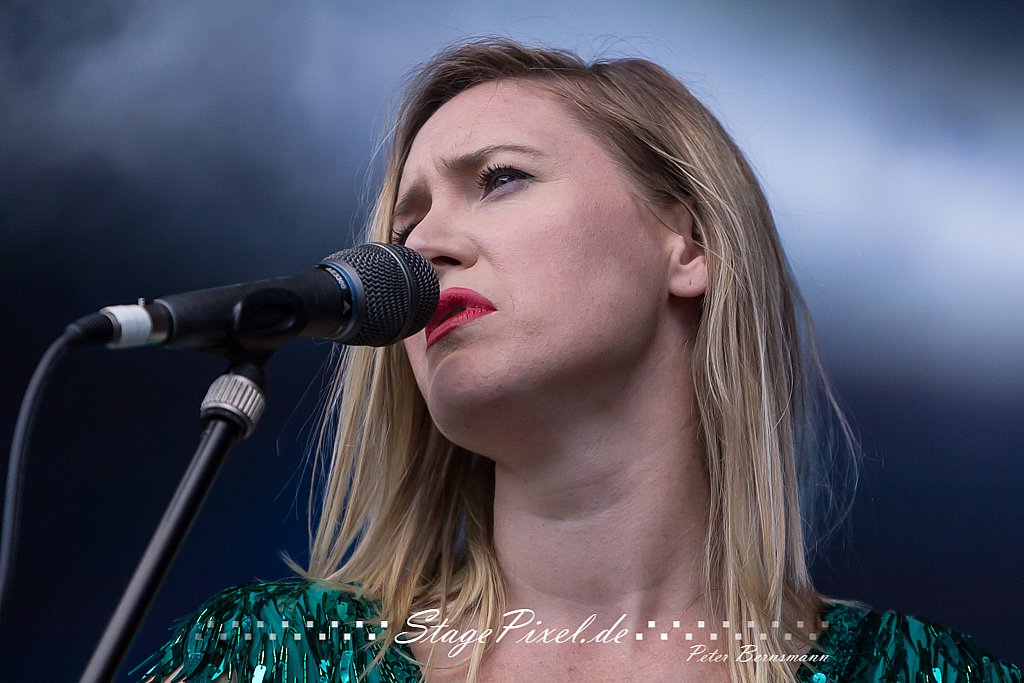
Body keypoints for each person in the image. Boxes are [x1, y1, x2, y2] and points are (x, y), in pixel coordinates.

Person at [139, 37, 1021, 683]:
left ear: (687, 242)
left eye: (501, 178)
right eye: (404, 225)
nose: (424, 248)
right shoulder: (266, 657)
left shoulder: (922, 675)